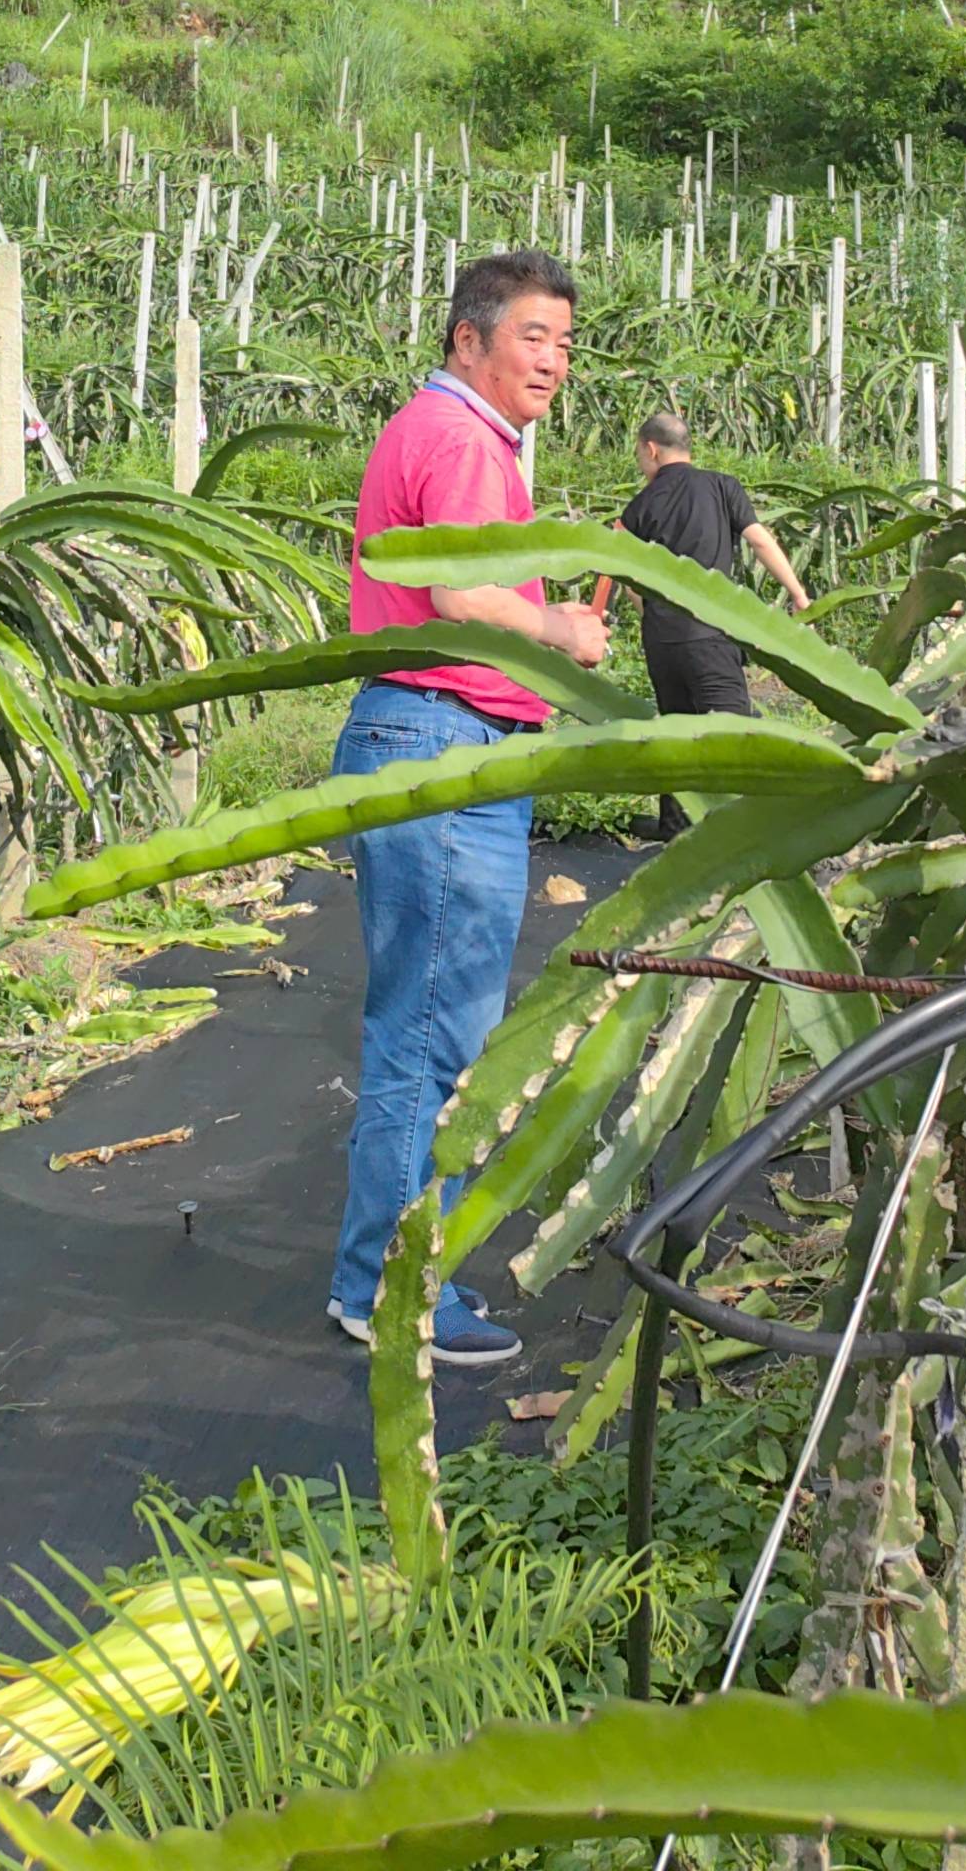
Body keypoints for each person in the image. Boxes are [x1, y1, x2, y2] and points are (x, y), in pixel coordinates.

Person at [327, 248, 610, 1368]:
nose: (554, 359)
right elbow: (458, 587)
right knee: (435, 1043)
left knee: (426, 1028)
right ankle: (394, 1296)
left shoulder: (455, 436)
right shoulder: (455, 437)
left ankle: (378, 1281)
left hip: (430, 739)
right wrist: (561, 634)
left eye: (565, 343)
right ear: (467, 339)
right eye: (533, 335)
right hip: (442, 742)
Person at [595, 412, 812, 837]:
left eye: (639, 453)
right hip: (711, 636)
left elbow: (622, 573)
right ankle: (740, 837)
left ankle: (676, 832)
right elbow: (759, 540)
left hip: (663, 642)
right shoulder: (721, 486)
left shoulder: (641, 505)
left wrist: (649, 615)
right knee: (732, 736)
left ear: (651, 449)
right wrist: (798, 594)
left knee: (676, 734)